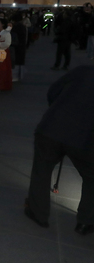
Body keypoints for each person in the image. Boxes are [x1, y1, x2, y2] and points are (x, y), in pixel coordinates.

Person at [25, 66, 94, 236]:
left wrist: (58, 110)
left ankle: (38, 213)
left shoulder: (84, 71)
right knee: (92, 176)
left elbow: (54, 90)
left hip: (53, 128)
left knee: (42, 169)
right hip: (84, 137)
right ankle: (86, 221)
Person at [0, 18, 13, 92]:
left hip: (3, 52)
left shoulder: (6, 33)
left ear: (3, 25)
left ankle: (1, 85)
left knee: (2, 69)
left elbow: (7, 44)